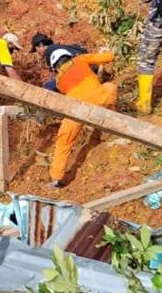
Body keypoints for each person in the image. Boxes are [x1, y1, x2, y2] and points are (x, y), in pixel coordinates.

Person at [46, 47, 117, 188]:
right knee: (110, 86)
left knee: (63, 143)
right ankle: (110, 124)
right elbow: (109, 57)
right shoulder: (80, 59)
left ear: (55, 68)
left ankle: (56, 179)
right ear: (69, 56)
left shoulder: (59, 81)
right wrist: (106, 51)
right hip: (100, 100)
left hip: (76, 111)